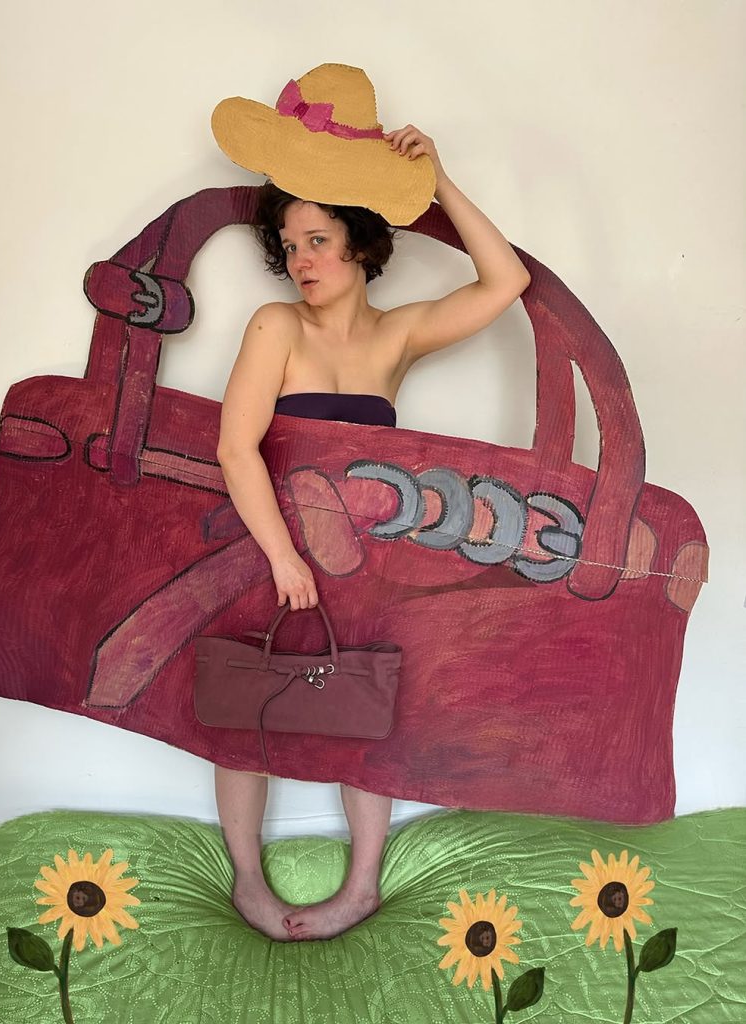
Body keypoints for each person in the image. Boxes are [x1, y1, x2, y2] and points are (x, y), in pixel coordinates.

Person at [212, 67, 530, 942]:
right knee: (242, 706)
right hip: (266, 548)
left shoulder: (397, 336)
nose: (300, 262)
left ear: (359, 242)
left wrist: (438, 176)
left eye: (317, 240)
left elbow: (503, 281)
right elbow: (236, 448)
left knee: (367, 708)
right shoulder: (277, 326)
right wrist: (281, 558)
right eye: (289, 246)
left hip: (366, 562)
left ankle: (361, 887)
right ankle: (246, 880)